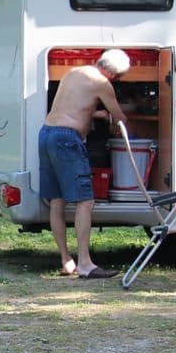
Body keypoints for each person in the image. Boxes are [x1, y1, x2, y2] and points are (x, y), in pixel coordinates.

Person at [39, 49, 131, 278]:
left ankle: (66, 261)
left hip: (47, 133)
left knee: (57, 200)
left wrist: (94, 113)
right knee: (85, 201)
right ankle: (86, 263)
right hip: (68, 139)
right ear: (111, 72)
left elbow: (76, 106)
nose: (116, 81)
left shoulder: (74, 72)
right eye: (117, 77)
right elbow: (119, 117)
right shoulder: (102, 83)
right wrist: (116, 118)